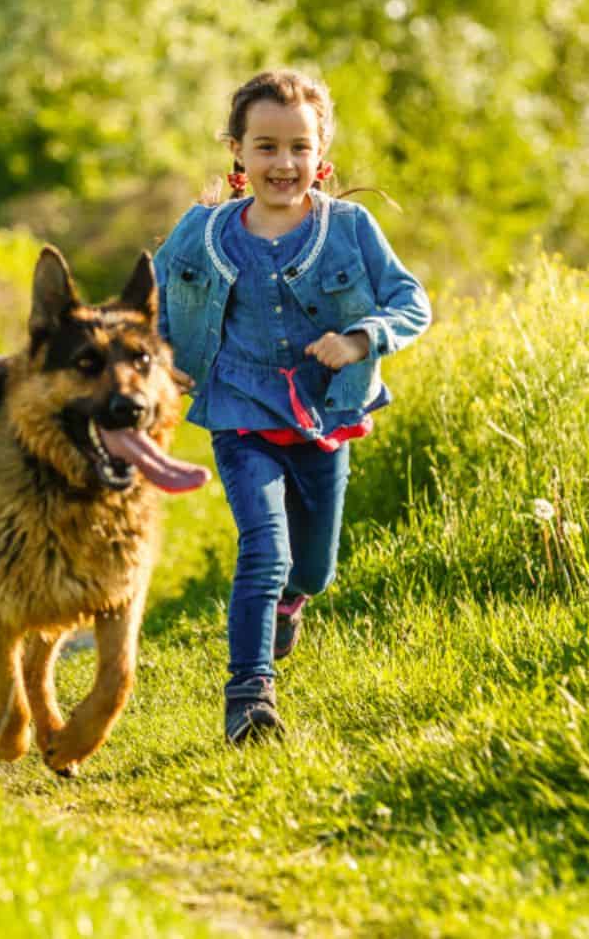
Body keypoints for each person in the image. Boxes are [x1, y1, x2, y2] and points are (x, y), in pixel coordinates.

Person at [153, 69, 431, 744]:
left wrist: (362, 338)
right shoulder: (206, 231)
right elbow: (156, 302)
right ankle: (250, 697)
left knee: (312, 568)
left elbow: (411, 302)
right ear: (238, 153)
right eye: (267, 146)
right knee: (264, 548)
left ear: (322, 154)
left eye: (298, 148)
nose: (284, 163)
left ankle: (291, 603)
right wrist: (165, 362)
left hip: (324, 416)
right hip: (240, 411)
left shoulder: (350, 228)